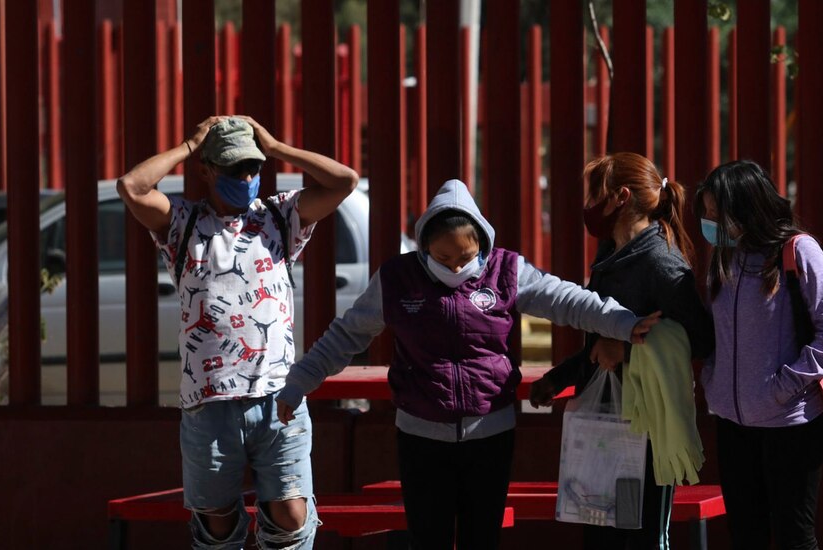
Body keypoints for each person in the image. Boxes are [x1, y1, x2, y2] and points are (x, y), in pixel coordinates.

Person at [277, 178, 660, 550]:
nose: (455, 267)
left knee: (482, 538)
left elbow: (570, 301)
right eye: (443, 258)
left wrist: (624, 324)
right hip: (420, 434)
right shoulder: (397, 279)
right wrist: (297, 384)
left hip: (491, 432)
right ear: (424, 245)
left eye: (465, 257)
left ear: (482, 245)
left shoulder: (507, 271)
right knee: (429, 539)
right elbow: (345, 336)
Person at [117, 115, 359, 549]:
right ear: (206, 171)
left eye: (252, 168)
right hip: (209, 403)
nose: (246, 178)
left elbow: (344, 181)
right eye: (233, 169)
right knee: (217, 525)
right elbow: (132, 187)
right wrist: (190, 145)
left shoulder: (280, 217)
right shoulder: (184, 224)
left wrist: (278, 147)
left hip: (277, 397)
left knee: (290, 515)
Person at [529, 152, 715, 550]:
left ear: (620, 198)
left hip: (645, 427)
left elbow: (698, 340)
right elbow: (600, 345)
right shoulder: (608, 256)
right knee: (598, 528)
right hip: (604, 425)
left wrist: (626, 349)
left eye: (595, 194)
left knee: (639, 534)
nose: (588, 204)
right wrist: (558, 378)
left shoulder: (662, 264)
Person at [694, 160, 823, 550]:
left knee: (793, 537)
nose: (711, 223)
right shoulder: (724, 258)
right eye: (708, 214)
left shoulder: (798, 252)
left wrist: (784, 386)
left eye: (719, 214)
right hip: (733, 422)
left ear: (747, 208)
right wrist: (713, 380)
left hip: (790, 423)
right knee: (745, 535)